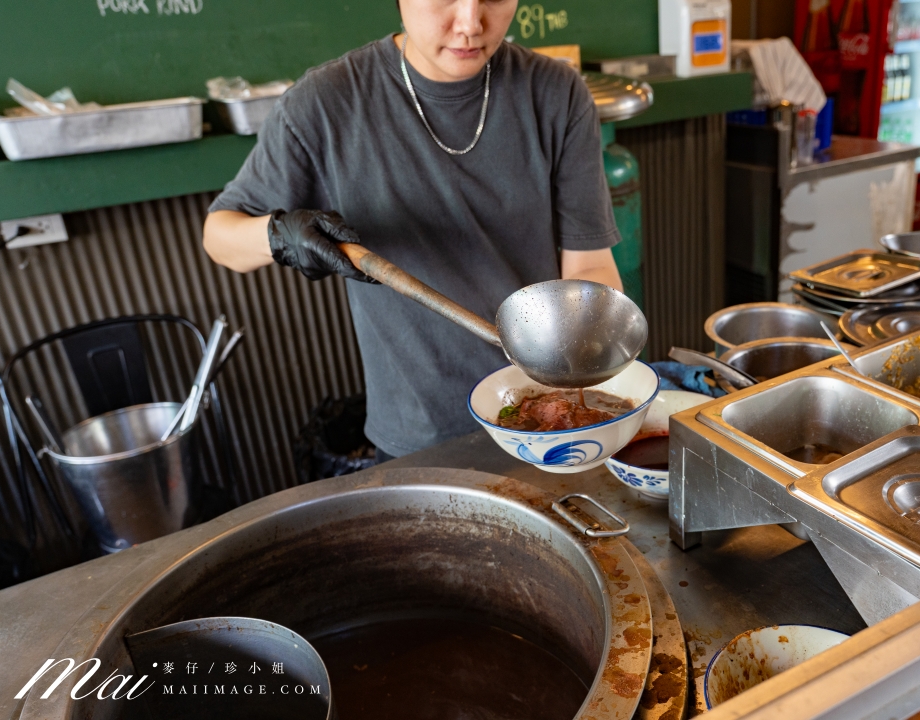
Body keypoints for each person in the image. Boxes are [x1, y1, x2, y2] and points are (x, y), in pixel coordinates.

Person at [202, 0, 623, 461]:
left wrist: (590, 363)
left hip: (544, 422)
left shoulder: (556, 92)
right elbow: (221, 236)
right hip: (420, 439)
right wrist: (279, 235)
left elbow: (590, 264)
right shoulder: (326, 101)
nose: (470, 23)